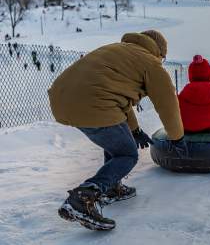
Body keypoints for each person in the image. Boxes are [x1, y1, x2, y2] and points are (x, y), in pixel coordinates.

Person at [48, 30, 184, 231]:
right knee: (126, 154)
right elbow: (167, 104)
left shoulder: (120, 50)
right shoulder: (151, 63)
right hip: (94, 103)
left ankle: (111, 187)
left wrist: (135, 130)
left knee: (115, 140)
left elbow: (119, 97)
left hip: (61, 99)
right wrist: (177, 137)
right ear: (160, 53)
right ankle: (83, 197)